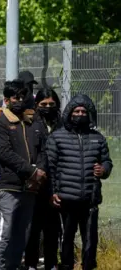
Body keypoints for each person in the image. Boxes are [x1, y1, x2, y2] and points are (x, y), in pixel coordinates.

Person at [47, 94, 112, 270]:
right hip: (66, 199)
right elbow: (50, 167)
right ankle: (67, 265)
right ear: (69, 113)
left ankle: (88, 266)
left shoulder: (97, 138)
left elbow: (107, 161)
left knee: (90, 240)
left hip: (90, 198)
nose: (80, 114)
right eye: (76, 111)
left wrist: (104, 169)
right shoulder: (57, 137)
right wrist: (52, 192)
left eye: (84, 111)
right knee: (67, 238)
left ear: (90, 114)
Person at [0, 80, 47, 270]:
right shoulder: (0, 123)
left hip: (31, 188)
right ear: (6, 100)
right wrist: (31, 171)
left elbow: (42, 151)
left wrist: (39, 172)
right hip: (9, 185)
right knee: (5, 230)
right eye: (16, 97)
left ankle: (14, 265)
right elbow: (4, 153)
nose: (20, 100)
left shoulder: (33, 123)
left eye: (23, 96)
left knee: (24, 231)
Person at [24, 88, 63, 270]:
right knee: (33, 227)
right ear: (37, 105)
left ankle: (51, 263)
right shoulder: (31, 125)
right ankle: (31, 263)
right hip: (36, 182)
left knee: (52, 228)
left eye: (51, 104)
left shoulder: (61, 125)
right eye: (43, 104)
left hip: (56, 183)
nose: (48, 107)